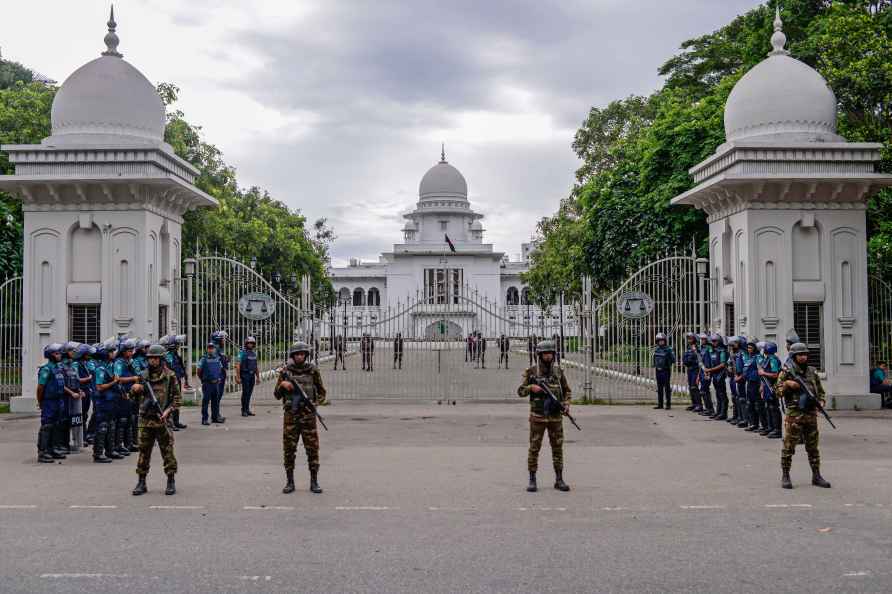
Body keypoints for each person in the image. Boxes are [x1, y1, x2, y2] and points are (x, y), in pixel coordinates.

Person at [517, 339, 572, 493]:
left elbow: (567, 391)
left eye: (550, 354)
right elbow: (520, 391)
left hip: (555, 417)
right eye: (545, 354)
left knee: (557, 448)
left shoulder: (558, 371)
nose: (548, 357)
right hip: (538, 417)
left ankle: (559, 479)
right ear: (539, 355)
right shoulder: (532, 372)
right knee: (534, 448)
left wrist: (567, 404)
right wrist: (531, 387)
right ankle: (532, 479)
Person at [776, 342, 831, 490]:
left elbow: (820, 390)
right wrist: (787, 384)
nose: (803, 357)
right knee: (789, 447)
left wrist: (821, 401)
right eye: (800, 354)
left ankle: (816, 475)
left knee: (813, 447)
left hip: (810, 414)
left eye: (805, 354)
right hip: (794, 415)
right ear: (794, 356)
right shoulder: (786, 372)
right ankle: (785, 475)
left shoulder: (812, 371)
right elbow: (777, 391)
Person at [275, 341, 327, 494]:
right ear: (293, 355)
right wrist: (282, 385)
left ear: (306, 355)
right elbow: (277, 395)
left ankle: (314, 481)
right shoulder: (286, 372)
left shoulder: (312, 370)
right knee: (289, 450)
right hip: (291, 417)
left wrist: (315, 404)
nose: (300, 356)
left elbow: (322, 392)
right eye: (297, 354)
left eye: (302, 353)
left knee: (312, 449)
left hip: (308, 417)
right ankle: (290, 482)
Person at [131, 344, 181, 496]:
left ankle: (170, 480)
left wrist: (168, 411)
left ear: (161, 359)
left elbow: (177, 399)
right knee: (143, 452)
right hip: (146, 420)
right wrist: (135, 389)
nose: (152, 361)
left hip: (163, 420)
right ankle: (141, 481)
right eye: (150, 358)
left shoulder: (170, 376)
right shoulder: (143, 375)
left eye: (155, 358)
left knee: (167, 452)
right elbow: (131, 397)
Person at [36, 343, 67, 463]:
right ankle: (43, 452)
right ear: (50, 355)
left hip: (59, 400)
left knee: (57, 425)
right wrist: (40, 401)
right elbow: (40, 387)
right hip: (49, 401)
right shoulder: (46, 369)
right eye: (56, 353)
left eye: (59, 353)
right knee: (47, 426)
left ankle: (53, 449)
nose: (59, 355)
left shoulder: (58, 368)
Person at [92, 340, 122, 462]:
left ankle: (110, 450)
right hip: (102, 402)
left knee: (111, 425)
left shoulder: (110, 366)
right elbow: (99, 387)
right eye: (110, 352)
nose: (113, 353)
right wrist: (114, 382)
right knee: (102, 427)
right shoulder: (100, 369)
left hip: (111, 401)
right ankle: (98, 454)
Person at [112, 339, 140, 455]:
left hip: (132, 393)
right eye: (129, 351)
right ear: (123, 352)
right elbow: (117, 379)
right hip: (122, 394)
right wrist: (133, 379)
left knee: (131, 419)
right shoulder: (119, 363)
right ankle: (118, 445)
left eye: (132, 350)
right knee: (122, 420)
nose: (131, 353)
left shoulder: (131, 362)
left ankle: (129, 444)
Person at [162, 335, 188, 430]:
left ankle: (176, 421)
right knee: (170, 401)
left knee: (177, 401)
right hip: (170, 382)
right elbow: (169, 368)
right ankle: (170, 423)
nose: (179, 346)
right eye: (177, 344)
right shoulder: (168, 356)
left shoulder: (176, 354)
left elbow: (180, 367)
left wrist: (185, 378)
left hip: (177, 380)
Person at [197, 342, 225, 425]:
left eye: (212, 348)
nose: (211, 349)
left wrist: (218, 378)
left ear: (214, 349)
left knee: (215, 402)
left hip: (216, 384)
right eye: (209, 348)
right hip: (207, 384)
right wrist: (203, 379)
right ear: (207, 349)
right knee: (206, 402)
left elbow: (220, 369)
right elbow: (199, 371)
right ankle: (204, 419)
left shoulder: (217, 358)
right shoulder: (203, 359)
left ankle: (215, 417)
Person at [759, 342, 783, 439]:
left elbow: (775, 374)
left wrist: (763, 372)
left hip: (772, 386)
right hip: (766, 386)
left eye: (765, 348)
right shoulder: (767, 359)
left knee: (774, 408)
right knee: (768, 407)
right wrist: (761, 386)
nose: (763, 349)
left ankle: (777, 429)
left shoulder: (773, 359)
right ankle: (770, 427)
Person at [706, 334, 728, 420]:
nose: (713, 343)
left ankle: (723, 413)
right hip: (714, 374)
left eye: (715, 341)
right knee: (718, 394)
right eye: (712, 341)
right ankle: (718, 412)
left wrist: (710, 369)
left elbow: (722, 364)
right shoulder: (713, 351)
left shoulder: (722, 351)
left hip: (720, 374)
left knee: (722, 394)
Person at [236, 336, 260, 416]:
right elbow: (238, 365)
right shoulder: (242, 353)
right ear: (246, 344)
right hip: (245, 375)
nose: (251, 345)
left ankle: (247, 409)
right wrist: (238, 377)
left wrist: (258, 377)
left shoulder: (254, 354)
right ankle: (243, 410)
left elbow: (256, 366)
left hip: (252, 375)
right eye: (249, 343)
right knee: (245, 393)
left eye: (252, 343)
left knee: (249, 393)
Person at [742, 339, 763, 433]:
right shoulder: (749, 358)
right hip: (749, 383)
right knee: (749, 404)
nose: (749, 349)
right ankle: (753, 423)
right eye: (748, 348)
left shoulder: (758, 357)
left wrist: (761, 385)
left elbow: (761, 371)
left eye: (751, 348)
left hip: (756, 383)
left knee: (757, 405)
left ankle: (761, 425)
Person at [652, 333, 675, 410]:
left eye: (662, 341)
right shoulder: (657, 349)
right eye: (659, 341)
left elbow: (673, 360)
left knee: (667, 387)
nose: (661, 342)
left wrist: (669, 354)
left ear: (665, 341)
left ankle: (668, 404)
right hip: (658, 370)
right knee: (659, 388)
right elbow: (654, 360)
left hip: (666, 370)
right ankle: (660, 404)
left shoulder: (669, 349)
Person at [682, 333, 703, 412]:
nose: (689, 340)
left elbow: (699, 358)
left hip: (695, 369)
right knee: (691, 387)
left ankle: (699, 405)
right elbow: (684, 357)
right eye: (688, 338)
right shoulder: (688, 348)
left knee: (694, 386)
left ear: (694, 339)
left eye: (691, 338)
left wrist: (695, 351)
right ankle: (694, 404)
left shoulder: (697, 348)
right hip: (689, 369)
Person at [697, 334, 715, 416]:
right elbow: (700, 362)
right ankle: (707, 408)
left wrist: (709, 372)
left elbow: (711, 360)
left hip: (707, 371)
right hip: (702, 371)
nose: (702, 340)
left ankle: (710, 409)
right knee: (703, 391)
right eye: (701, 339)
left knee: (705, 390)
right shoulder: (702, 348)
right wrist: (698, 375)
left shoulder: (709, 348)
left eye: (704, 339)